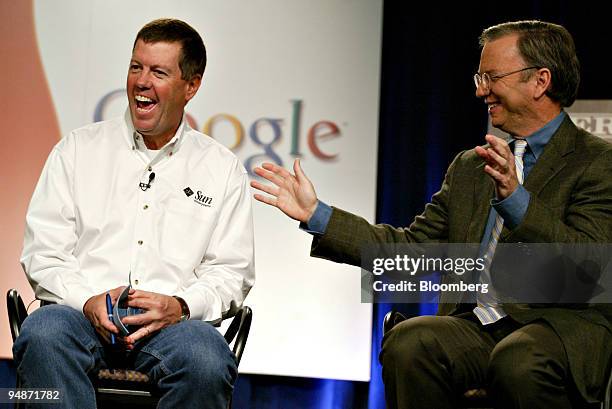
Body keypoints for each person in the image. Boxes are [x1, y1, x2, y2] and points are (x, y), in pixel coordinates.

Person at [251, 20, 612, 409]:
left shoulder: (597, 162)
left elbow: (589, 266)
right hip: (477, 328)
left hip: (560, 328)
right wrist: (317, 214)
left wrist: (516, 200)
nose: (480, 90)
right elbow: (413, 249)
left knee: (518, 360)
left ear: (540, 81)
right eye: (479, 76)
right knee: (412, 341)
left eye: (492, 77)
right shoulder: (471, 167)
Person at [14, 18, 254, 409]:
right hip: (79, 318)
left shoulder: (221, 168)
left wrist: (181, 306)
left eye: (158, 72)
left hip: (173, 329)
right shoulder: (77, 150)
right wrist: (86, 300)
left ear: (191, 86)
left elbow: (231, 272)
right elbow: (44, 252)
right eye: (135, 67)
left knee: (205, 357)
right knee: (44, 333)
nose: (141, 82)